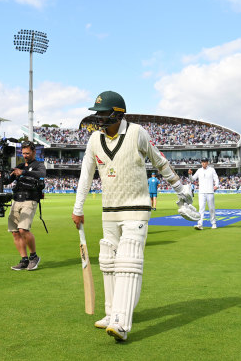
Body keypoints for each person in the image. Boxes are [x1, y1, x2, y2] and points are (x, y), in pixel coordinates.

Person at [72, 91, 194, 342]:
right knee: (108, 261)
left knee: (128, 263)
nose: (99, 119)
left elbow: (159, 162)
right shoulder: (94, 139)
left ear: (118, 114)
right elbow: (86, 174)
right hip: (109, 211)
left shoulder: (137, 133)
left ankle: (121, 323)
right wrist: (78, 208)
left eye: (104, 114)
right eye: (98, 114)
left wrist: (180, 190)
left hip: (136, 208)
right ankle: (110, 313)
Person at [0, 141, 46, 271]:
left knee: (23, 229)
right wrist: (2, 177)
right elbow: (9, 180)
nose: (25, 156)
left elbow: (41, 175)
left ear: (34, 152)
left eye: (28, 153)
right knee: (15, 232)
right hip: (16, 200)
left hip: (29, 200)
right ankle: (24, 259)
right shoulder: (19, 166)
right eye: (23, 153)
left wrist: (23, 172)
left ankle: (34, 257)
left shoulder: (38, 165)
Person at [188, 158, 220, 230]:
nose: (203, 163)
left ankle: (213, 223)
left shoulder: (211, 170)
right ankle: (200, 224)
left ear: (207, 163)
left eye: (205, 162)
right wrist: (190, 174)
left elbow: (216, 178)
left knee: (211, 208)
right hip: (201, 192)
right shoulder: (199, 170)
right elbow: (192, 179)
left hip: (210, 191)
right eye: (202, 162)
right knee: (201, 209)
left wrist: (217, 185)